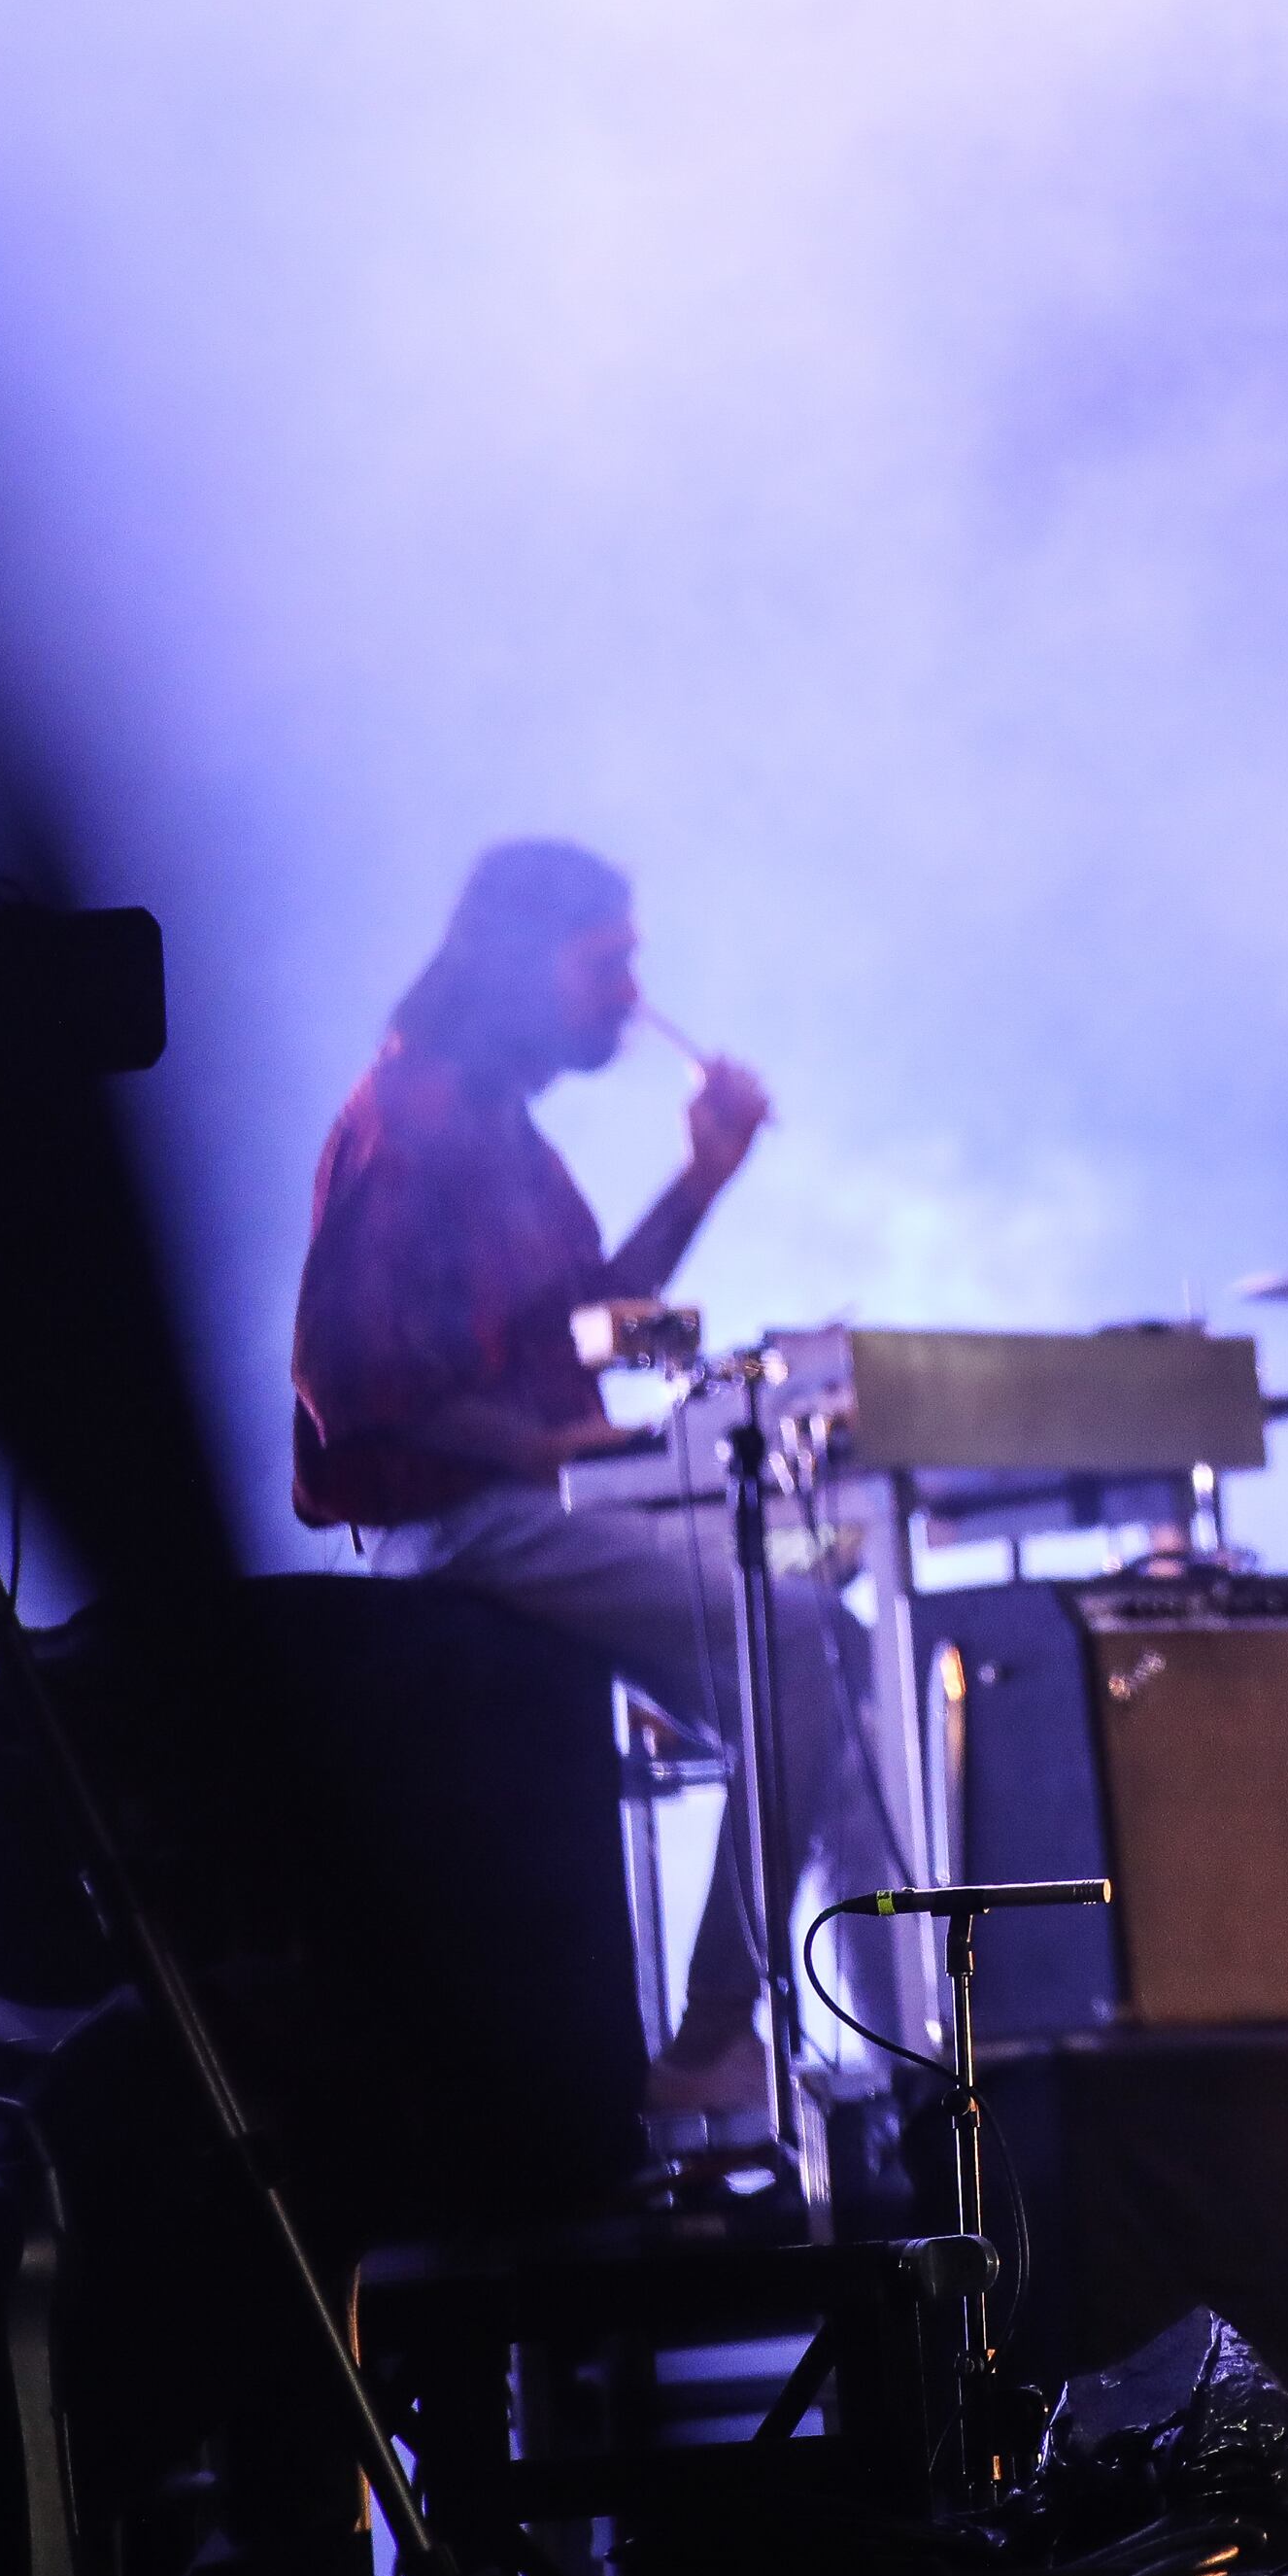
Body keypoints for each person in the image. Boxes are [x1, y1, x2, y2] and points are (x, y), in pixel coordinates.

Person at [287, 839, 896, 2114]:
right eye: (605, 963)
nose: (628, 995)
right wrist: (526, 1446)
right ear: (520, 963)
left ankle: (858, 2051)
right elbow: (343, 1379)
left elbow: (592, 1326)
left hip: (521, 1511)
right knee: (797, 1643)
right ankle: (710, 2041)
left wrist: (703, 1178)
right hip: (458, 1528)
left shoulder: (496, 1129)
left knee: (823, 1649)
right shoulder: (412, 1121)